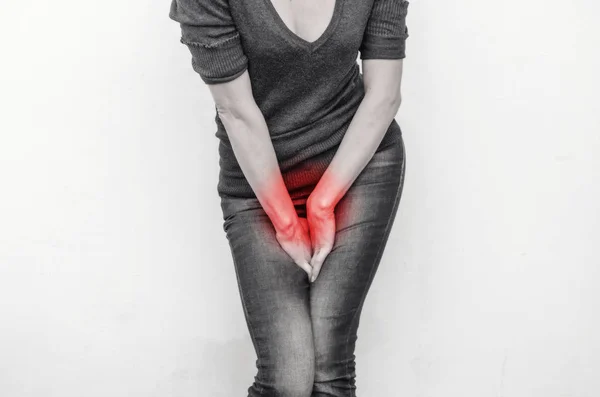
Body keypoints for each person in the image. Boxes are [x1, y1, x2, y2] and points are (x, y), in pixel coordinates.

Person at [169, 0, 410, 395]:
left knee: (329, 371)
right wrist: (286, 222)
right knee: (288, 377)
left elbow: (384, 96)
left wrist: (322, 203)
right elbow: (236, 111)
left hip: (357, 164)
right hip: (259, 179)